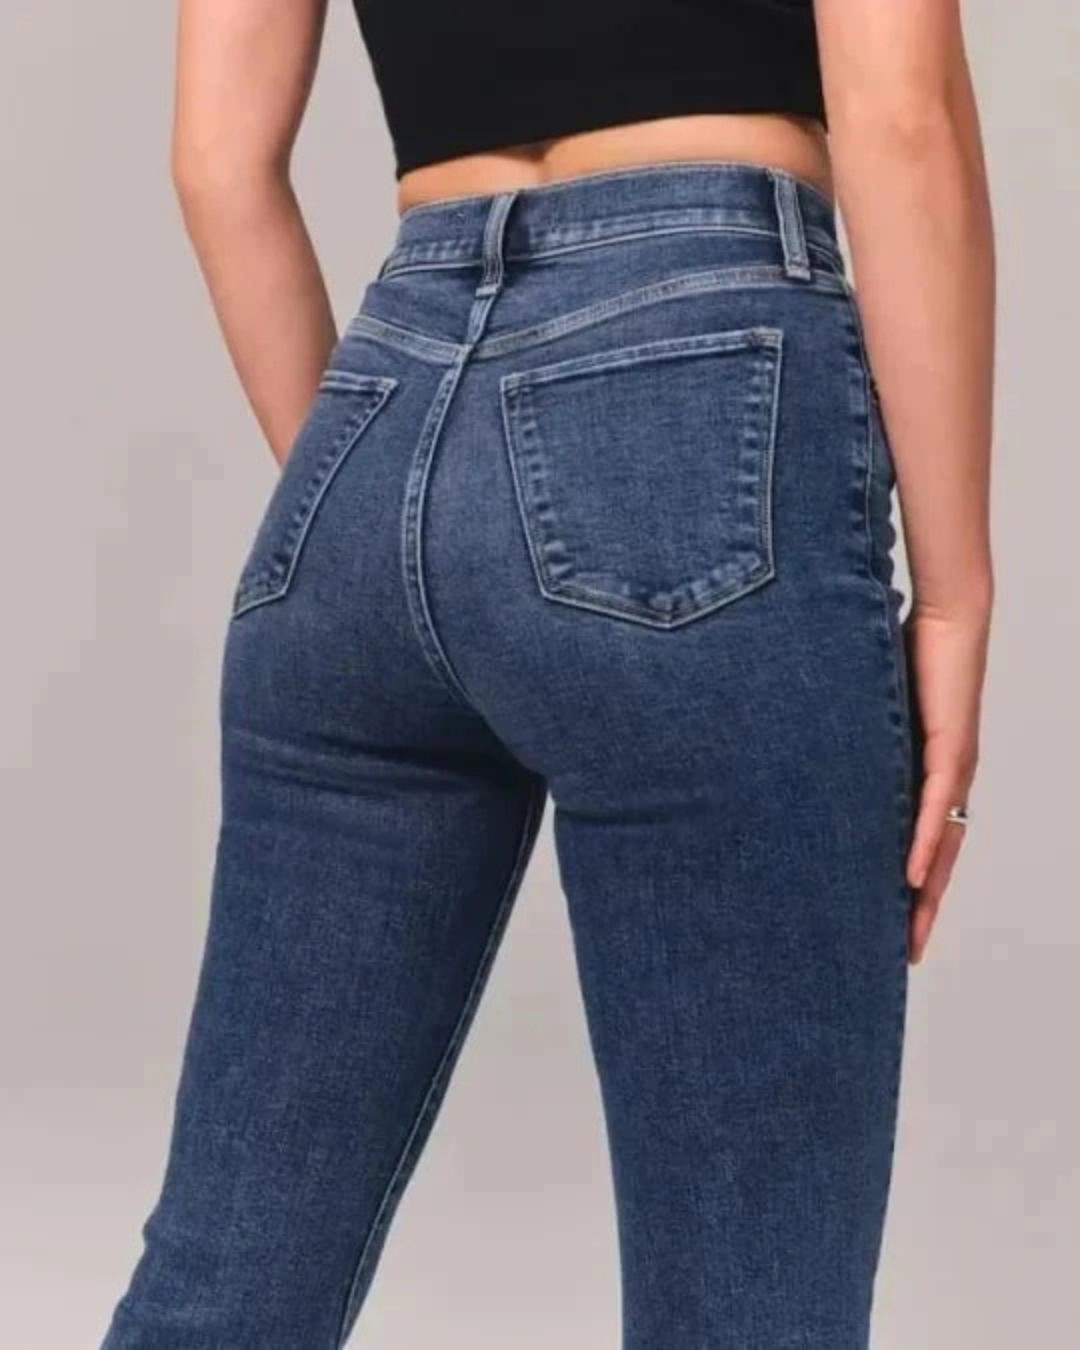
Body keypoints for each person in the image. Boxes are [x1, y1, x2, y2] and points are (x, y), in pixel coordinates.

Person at [101, 1, 994, 1346]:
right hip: (698, 367)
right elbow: (903, 116)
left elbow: (217, 165)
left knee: (221, 1295)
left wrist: (381, 519)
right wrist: (960, 594)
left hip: (383, 400)